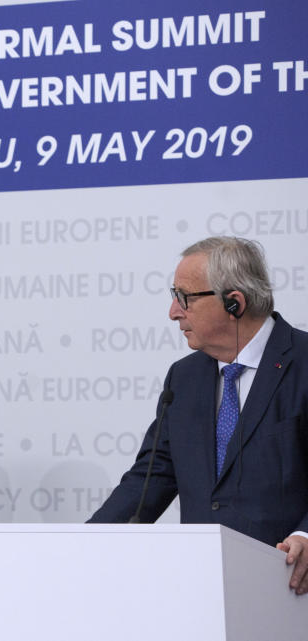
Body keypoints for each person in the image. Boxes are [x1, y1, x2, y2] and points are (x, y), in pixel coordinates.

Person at [89, 236, 308, 595]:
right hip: (203, 590)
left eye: (183, 298)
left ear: (234, 303)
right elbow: (151, 476)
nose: (173, 312)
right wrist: (87, 543)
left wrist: (305, 535)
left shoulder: (304, 362)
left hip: (289, 592)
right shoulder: (184, 377)